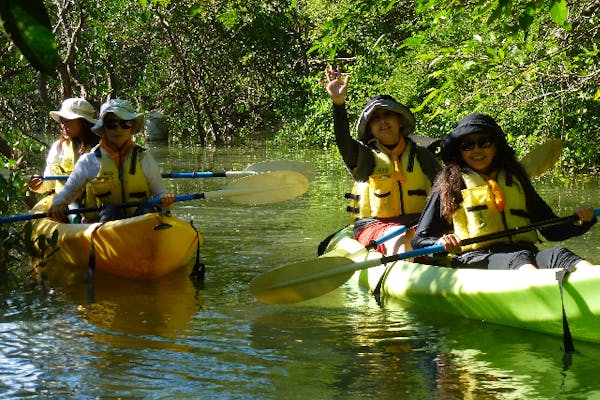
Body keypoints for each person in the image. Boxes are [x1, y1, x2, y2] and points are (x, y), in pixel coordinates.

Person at [411, 112, 596, 270]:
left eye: (483, 142)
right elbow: (420, 239)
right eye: (467, 145)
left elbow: (551, 230)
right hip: (475, 259)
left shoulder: (515, 179)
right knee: (519, 260)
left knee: (560, 254)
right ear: (459, 152)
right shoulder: (449, 184)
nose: (476, 150)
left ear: (496, 146)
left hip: (524, 252)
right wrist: (440, 243)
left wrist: (580, 221)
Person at [323, 65, 441, 255]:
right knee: (400, 238)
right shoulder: (365, 157)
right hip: (374, 225)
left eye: (388, 115)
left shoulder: (422, 155)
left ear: (399, 121)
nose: (383, 121)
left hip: (419, 222)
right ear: (370, 128)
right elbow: (343, 142)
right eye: (376, 119)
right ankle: (407, 273)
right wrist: (338, 104)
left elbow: (446, 191)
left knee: (426, 237)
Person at [49, 99, 175, 223]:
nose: (119, 129)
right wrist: (58, 203)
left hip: (140, 222)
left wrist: (165, 200)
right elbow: (67, 193)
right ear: (103, 129)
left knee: (146, 208)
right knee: (110, 210)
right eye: (112, 124)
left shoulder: (143, 157)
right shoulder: (89, 160)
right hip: (104, 225)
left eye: (125, 123)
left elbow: (160, 193)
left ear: (131, 128)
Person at [29, 98, 99, 195]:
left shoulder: (99, 148)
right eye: (62, 121)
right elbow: (49, 182)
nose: (63, 126)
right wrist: (38, 184)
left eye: (68, 121)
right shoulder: (59, 147)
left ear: (83, 123)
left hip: (93, 201)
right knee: (39, 210)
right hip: (62, 202)